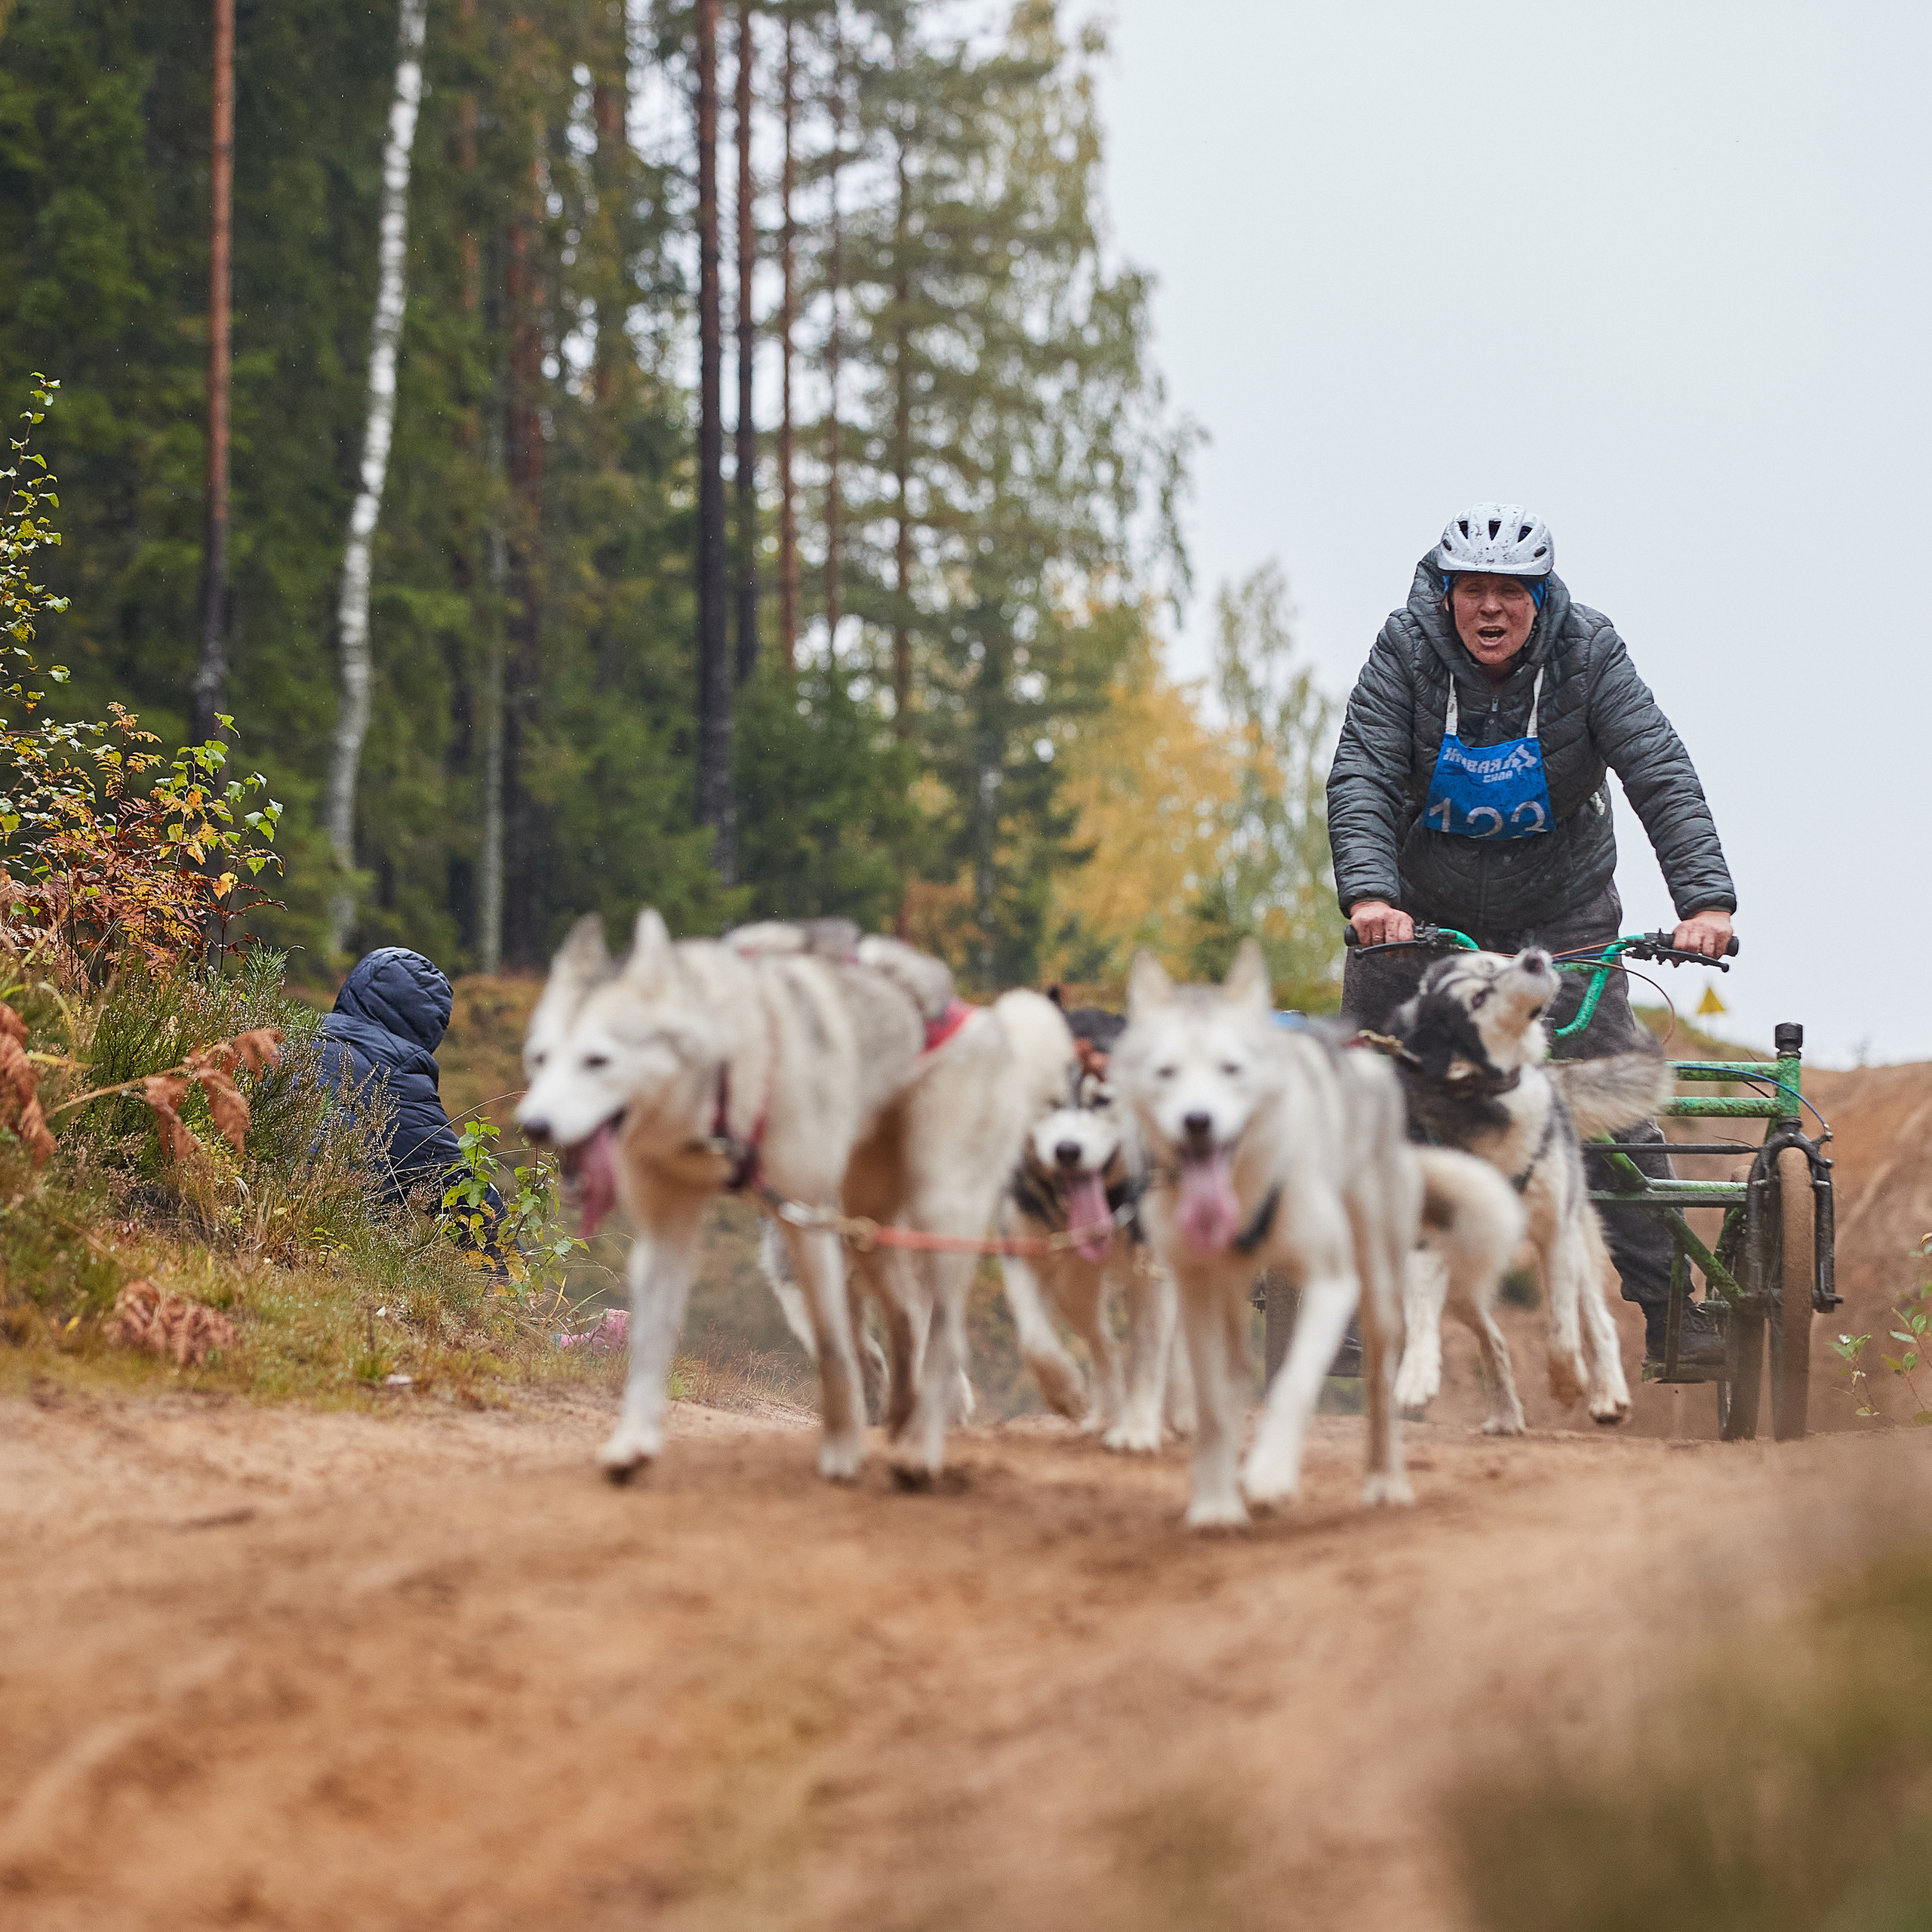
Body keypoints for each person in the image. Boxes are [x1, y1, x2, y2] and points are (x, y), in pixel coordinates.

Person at [1327, 503, 1736, 1365]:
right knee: (1375, 1083)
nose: (1489, 609)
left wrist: (1705, 904)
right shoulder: (1402, 650)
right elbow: (1361, 771)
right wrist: (1369, 896)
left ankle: (1672, 1313)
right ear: (1444, 596)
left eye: (1509, 592)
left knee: (1608, 1093)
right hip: (1419, 918)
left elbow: (1656, 768)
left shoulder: (1589, 652)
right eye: (1472, 589)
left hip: (1563, 914)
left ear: (1539, 598)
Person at [315, 946, 504, 1236]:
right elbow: (456, 1184)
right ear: (427, 1022)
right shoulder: (398, 1072)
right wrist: (512, 1273)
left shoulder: (300, 1033)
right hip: (326, 1235)